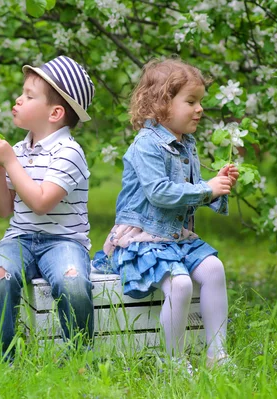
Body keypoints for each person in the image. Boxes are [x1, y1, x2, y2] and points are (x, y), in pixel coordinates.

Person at [93, 58, 239, 372]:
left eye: (201, 102)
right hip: (141, 239)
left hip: (176, 237)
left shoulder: (187, 145)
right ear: (162, 104)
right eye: (191, 101)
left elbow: (192, 194)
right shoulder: (145, 145)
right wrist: (206, 189)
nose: (200, 109)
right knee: (181, 285)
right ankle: (172, 360)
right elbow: (159, 192)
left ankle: (217, 355)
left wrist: (217, 186)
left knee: (214, 270)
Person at [0, 55, 96, 360]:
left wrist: (9, 163)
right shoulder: (19, 150)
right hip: (20, 237)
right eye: (22, 93)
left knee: (71, 282)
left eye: (29, 96)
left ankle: (78, 357)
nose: (18, 100)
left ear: (56, 112)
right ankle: (1, 359)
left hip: (63, 241)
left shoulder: (69, 152)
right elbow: (4, 209)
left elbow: (41, 202)